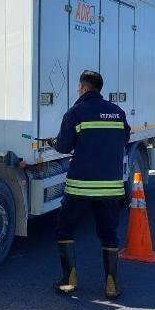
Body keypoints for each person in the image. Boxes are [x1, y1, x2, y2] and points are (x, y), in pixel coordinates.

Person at [45, 70, 130, 298]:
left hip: (80, 186)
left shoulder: (76, 112)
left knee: (65, 228)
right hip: (110, 187)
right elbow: (124, 139)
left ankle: (69, 280)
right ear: (99, 89)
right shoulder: (117, 112)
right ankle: (111, 285)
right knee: (109, 233)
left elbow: (63, 146)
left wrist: (55, 142)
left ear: (83, 88)